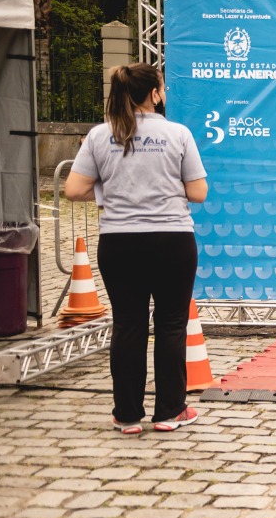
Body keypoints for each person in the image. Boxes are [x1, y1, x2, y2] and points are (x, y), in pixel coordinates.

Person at [64, 63, 207, 433]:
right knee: (172, 324)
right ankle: (170, 411)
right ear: (155, 94)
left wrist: (110, 191)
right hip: (172, 239)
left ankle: (127, 414)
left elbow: (73, 190)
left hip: (119, 241)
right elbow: (198, 192)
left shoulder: (99, 135)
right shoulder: (178, 134)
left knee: (128, 324)